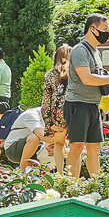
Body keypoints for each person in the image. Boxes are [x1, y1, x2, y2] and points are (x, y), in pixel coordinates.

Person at [65, 14, 109, 178]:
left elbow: (100, 79)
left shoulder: (96, 52)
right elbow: (87, 78)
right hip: (78, 104)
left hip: (93, 105)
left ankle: (97, 184)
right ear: (92, 29)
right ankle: (70, 186)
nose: (107, 33)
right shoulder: (80, 51)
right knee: (76, 147)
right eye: (105, 29)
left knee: (95, 147)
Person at [41, 44, 71, 174]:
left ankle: (60, 173)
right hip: (74, 111)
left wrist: (49, 122)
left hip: (57, 114)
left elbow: (46, 101)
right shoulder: (75, 73)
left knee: (59, 144)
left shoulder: (49, 75)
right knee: (75, 146)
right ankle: (73, 174)